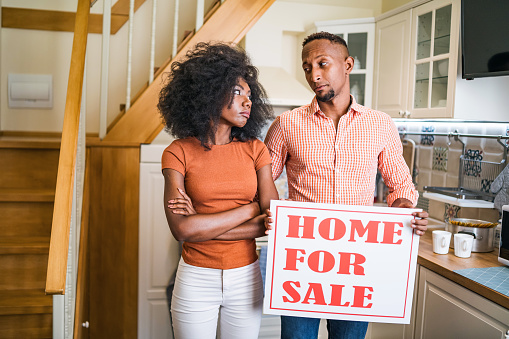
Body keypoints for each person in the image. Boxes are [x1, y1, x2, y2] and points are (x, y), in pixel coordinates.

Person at [263, 32, 429, 339]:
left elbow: (401, 186)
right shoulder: (286, 125)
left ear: (348, 64)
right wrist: (271, 211)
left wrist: (406, 212)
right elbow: (259, 183)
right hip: (301, 262)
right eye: (307, 67)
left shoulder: (380, 124)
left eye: (322, 64)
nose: (313, 75)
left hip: (356, 265)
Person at [158, 42, 279, 339]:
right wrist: (252, 208)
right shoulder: (178, 152)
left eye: (250, 95)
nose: (247, 102)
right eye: (238, 93)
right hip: (195, 278)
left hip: (247, 278)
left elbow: (273, 220)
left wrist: (203, 224)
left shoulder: (256, 149)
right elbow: (183, 230)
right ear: (209, 93)